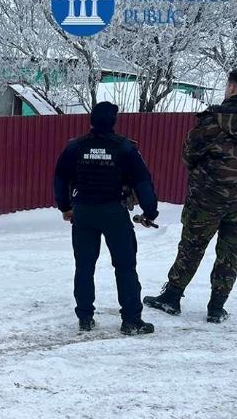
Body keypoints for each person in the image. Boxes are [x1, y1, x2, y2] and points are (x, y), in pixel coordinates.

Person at [144, 68, 237, 323]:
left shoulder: (212, 119)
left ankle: (172, 297)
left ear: (231, 87)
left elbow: (189, 156)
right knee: (231, 251)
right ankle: (217, 307)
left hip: (207, 199)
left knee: (192, 247)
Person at [54, 102, 159, 335]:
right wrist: (150, 211)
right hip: (114, 213)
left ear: (91, 120)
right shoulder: (125, 148)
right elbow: (143, 182)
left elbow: (60, 179)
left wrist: (65, 206)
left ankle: (85, 318)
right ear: (114, 121)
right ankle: (131, 320)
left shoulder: (75, 147)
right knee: (125, 267)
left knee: (84, 266)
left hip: (83, 212)